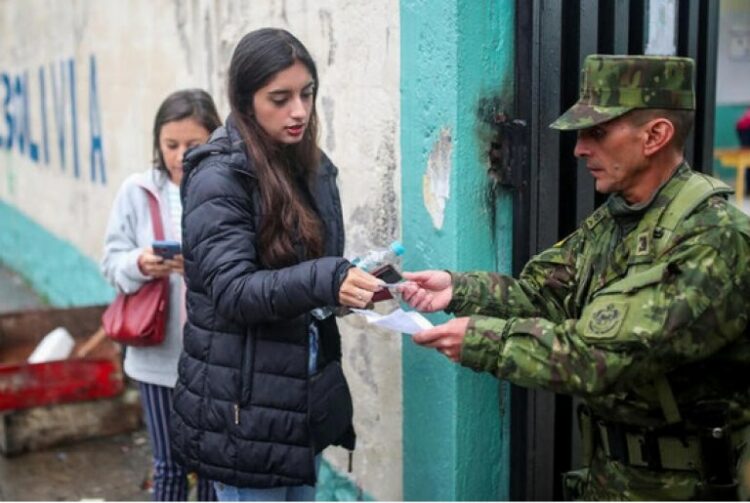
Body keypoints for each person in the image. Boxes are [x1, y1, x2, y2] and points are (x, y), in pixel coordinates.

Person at [400, 55, 750, 500]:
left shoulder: (712, 239)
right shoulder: (621, 219)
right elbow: (542, 296)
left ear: (655, 136)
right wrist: (459, 289)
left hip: (684, 490)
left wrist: (481, 340)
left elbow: (598, 356)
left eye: (598, 132)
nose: (580, 148)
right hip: (612, 481)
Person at [169, 28, 382, 502]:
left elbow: (306, 278)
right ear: (246, 102)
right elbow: (233, 291)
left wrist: (351, 285)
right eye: (280, 98)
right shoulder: (219, 175)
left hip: (295, 400)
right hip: (241, 411)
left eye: (307, 94)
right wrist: (327, 278)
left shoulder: (308, 164)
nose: (300, 111)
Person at [101, 89, 222, 501]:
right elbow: (111, 263)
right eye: (171, 145)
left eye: (194, 145)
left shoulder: (229, 190)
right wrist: (140, 263)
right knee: (168, 468)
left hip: (214, 357)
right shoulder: (136, 191)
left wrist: (202, 266)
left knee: (211, 471)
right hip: (155, 357)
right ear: (158, 142)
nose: (180, 155)